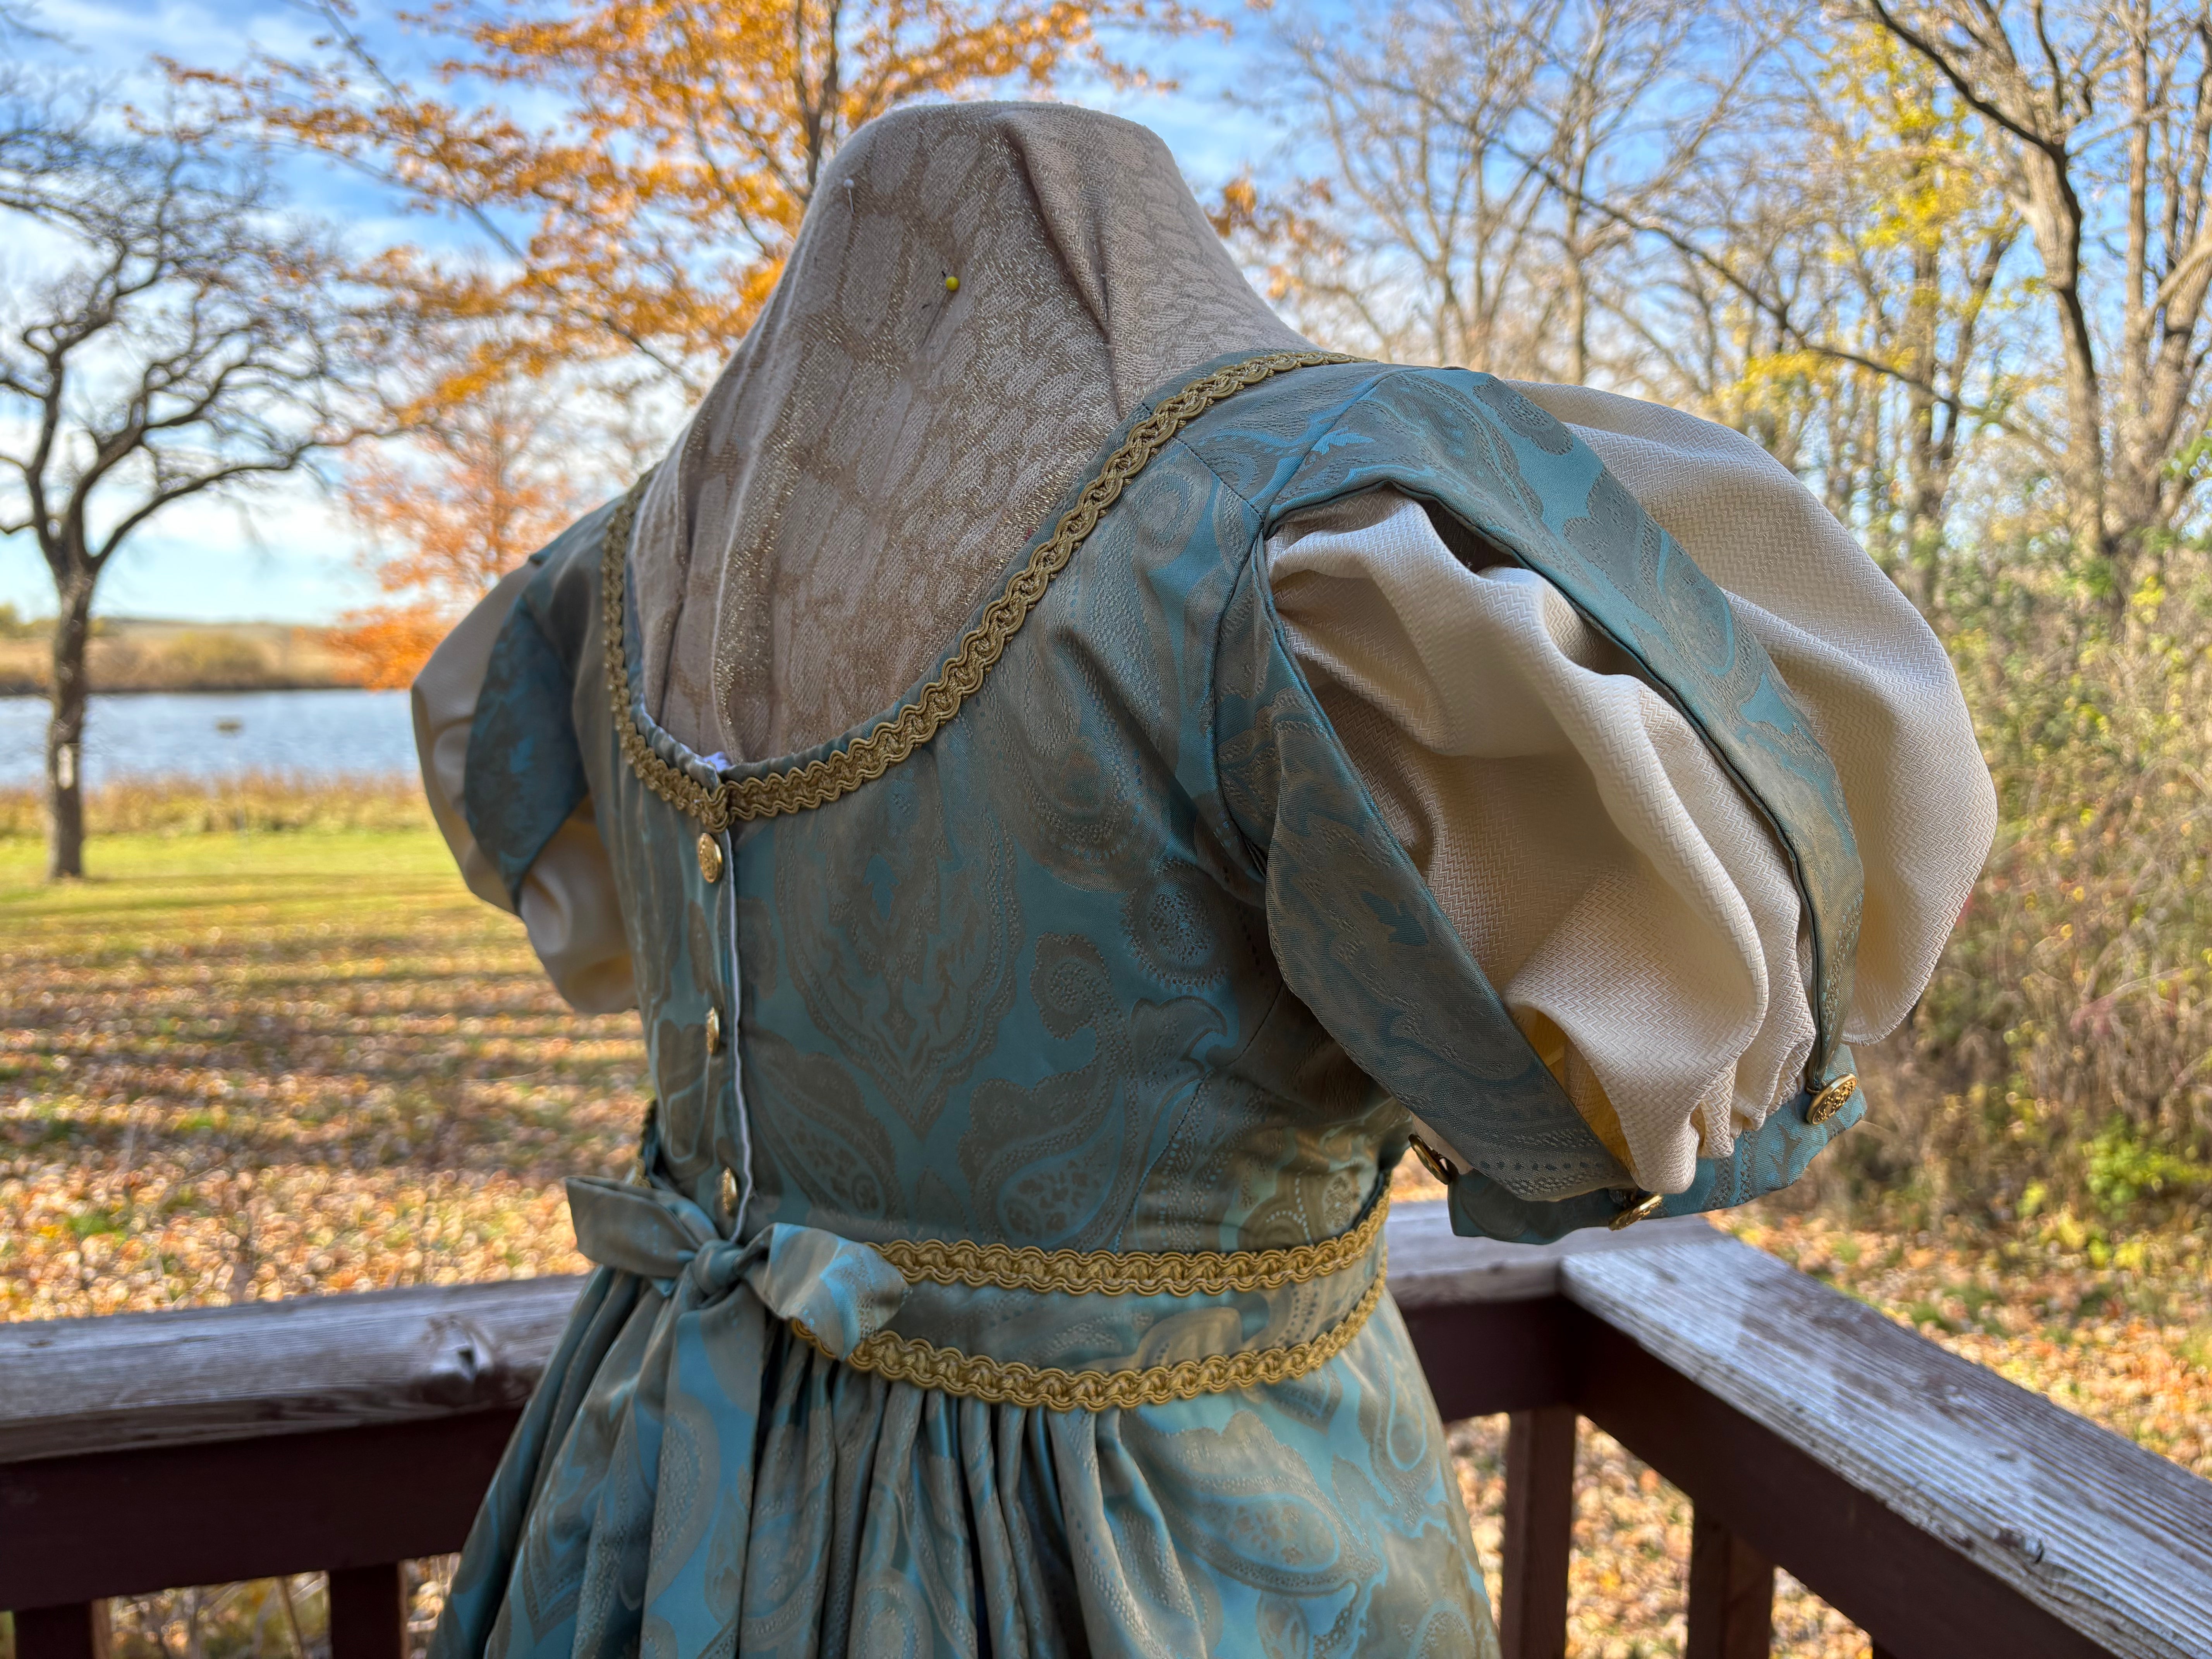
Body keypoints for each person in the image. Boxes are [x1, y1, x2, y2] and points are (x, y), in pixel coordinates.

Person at [414, 101, 1994, 1659]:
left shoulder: (610, 586)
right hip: (1155, 1548)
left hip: (652, 1477)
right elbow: (1674, 1044)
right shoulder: (1284, 534)